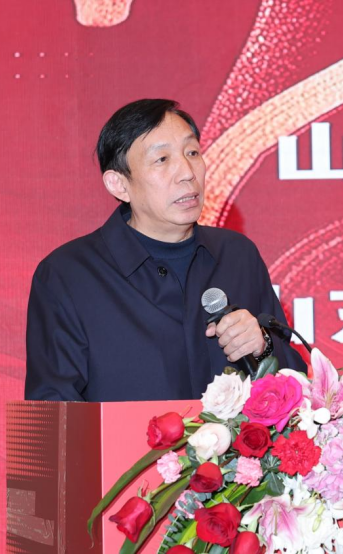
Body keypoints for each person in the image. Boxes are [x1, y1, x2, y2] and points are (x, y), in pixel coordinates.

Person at [25, 99, 305, 401]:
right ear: (119, 185)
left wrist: (262, 347)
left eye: (192, 152)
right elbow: (52, 410)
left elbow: (298, 390)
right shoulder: (69, 275)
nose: (187, 172)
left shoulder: (238, 256)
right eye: (161, 159)